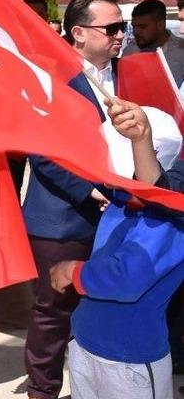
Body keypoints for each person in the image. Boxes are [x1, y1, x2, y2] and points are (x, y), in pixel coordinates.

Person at [21, 0, 125, 399]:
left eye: (124, 26)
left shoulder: (127, 73)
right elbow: (42, 153)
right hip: (62, 220)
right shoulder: (52, 79)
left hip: (118, 216)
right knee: (54, 313)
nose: (121, 34)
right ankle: (43, 391)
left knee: (101, 305)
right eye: (112, 27)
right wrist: (91, 189)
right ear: (78, 33)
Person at [49, 106, 183, 399]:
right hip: (88, 343)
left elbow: (127, 279)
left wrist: (73, 271)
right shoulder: (122, 201)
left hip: (130, 360)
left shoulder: (169, 219)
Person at [122, 0, 184, 89]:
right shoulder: (129, 50)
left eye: (142, 27)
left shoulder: (181, 50)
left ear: (160, 24)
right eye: (134, 26)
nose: (135, 32)